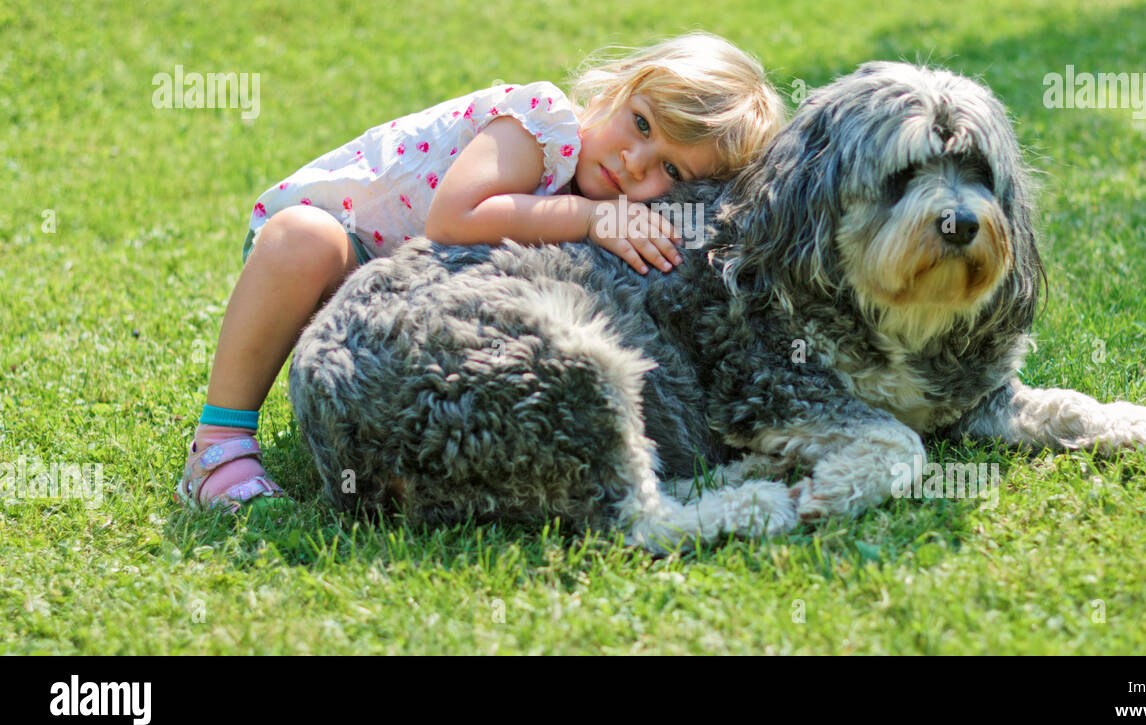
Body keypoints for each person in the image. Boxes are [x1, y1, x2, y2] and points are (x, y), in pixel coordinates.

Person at [176, 32, 787, 513]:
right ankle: (220, 443)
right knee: (303, 237)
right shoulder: (542, 127)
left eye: (672, 173)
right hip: (343, 254)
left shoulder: (611, 189)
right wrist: (589, 217)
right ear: (619, 90)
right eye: (643, 125)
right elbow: (455, 218)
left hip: (406, 310)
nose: (634, 164)